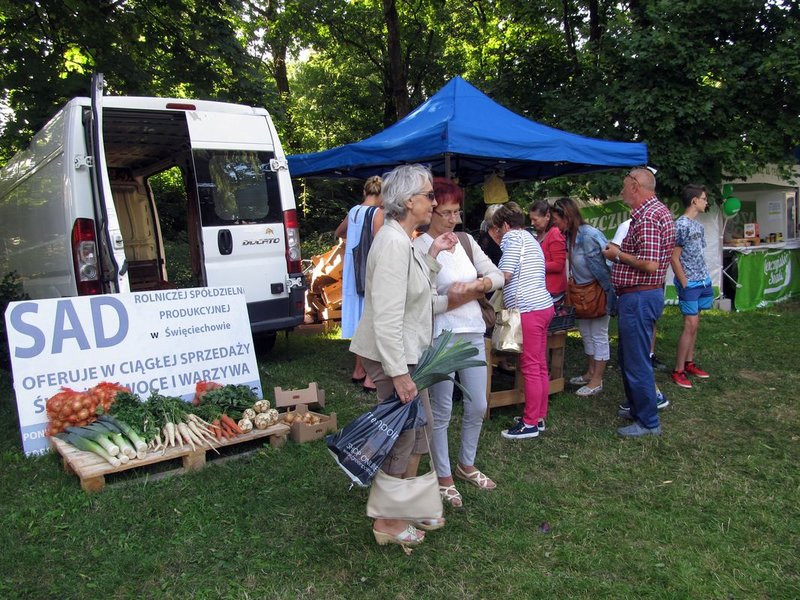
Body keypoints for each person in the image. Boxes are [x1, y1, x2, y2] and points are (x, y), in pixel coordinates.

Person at [350, 164, 465, 547]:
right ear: (408, 200)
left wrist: (432, 253)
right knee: (401, 436)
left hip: (409, 354)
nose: (434, 202)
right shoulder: (394, 242)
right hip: (394, 357)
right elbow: (385, 314)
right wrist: (398, 373)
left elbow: (414, 295)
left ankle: (408, 506)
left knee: (419, 432)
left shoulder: (405, 238)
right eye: (429, 195)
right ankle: (387, 521)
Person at [413, 178, 504, 508]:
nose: (454, 219)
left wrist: (481, 283)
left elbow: (498, 274)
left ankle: (466, 464)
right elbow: (420, 294)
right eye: (447, 213)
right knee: (442, 410)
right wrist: (459, 292)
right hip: (441, 335)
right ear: (432, 211)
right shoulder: (420, 246)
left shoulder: (466, 241)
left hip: (473, 331)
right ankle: (444, 475)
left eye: (456, 212)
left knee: (479, 404)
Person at [602, 168, 676, 437]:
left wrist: (617, 254)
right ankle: (638, 408)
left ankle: (648, 421)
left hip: (640, 296)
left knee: (636, 360)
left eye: (624, 185)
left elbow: (650, 263)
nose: (621, 191)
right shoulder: (654, 213)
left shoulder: (648, 216)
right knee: (631, 356)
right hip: (640, 295)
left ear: (636, 186)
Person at [492, 202, 554, 440]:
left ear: (506, 225)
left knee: (529, 366)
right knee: (539, 365)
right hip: (543, 306)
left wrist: (484, 281)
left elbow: (505, 275)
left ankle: (529, 424)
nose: (498, 235)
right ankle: (538, 416)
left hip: (528, 310)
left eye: (498, 229)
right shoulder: (531, 239)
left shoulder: (512, 239)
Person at [551, 197, 615, 397]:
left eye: (557, 220)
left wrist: (609, 294)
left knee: (599, 335)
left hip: (598, 293)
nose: (555, 224)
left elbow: (609, 264)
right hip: (582, 294)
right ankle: (590, 372)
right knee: (586, 333)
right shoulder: (570, 236)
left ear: (567, 217)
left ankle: (597, 380)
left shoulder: (589, 235)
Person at [335, 176, 384, 391]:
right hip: (367, 272)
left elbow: (338, 232)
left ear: (365, 191)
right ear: (382, 194)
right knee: (371, 321)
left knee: (359, 321)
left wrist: (350, 243)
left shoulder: (354, 211)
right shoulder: (377, 213)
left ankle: (358, 370)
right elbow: (381, 243)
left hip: (351, 272)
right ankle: (371, 378)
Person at [610, 219, 668, 372]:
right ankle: (630, 360)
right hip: (633, 290)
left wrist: (620, 255)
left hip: (648, 288)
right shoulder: (627, 226)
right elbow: (612, 251)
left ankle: (648, 355)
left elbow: (651, 264)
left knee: (649, 323)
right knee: (632, 334)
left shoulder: (656, 223)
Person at [670, 184, 712, 389]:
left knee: (696, 324)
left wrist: (705, 277)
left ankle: (689, 363)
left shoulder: (699, 226)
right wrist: (685, 283)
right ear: (694, 200)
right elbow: (674, 257)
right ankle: (678, 370)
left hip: (703, 280)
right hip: (690, 283)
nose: (706, 202)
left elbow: (697, 253)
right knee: (690, 324)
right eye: (704, 198)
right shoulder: (681, 225)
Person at [529, 201, 567, 302]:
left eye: (535, 219)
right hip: (544, 290)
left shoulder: (555, 233)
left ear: (547, 216)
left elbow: (558, 264)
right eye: (531, 220)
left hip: (554, 292)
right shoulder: (540, 234)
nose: (532, 223)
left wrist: (534, 265)